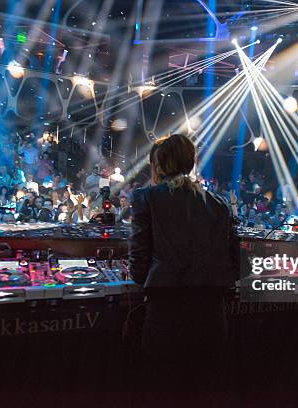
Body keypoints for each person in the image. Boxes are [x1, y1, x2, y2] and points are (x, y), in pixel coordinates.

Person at [129, 134, 239, 398]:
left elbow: (138, 263)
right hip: (211, 313)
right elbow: (235, 261)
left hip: (167, 311)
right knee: (202, 388)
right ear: (190, 162)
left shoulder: (146, 198)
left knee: (164, 388)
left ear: (158, 165)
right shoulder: (219, 204)